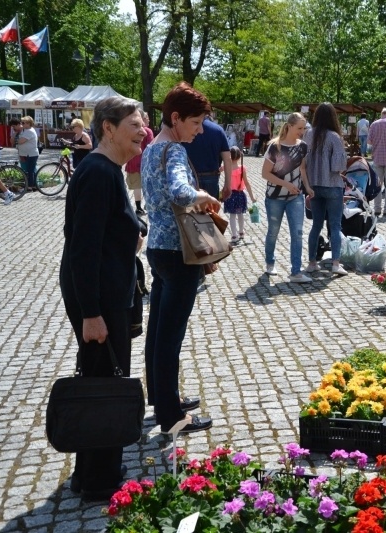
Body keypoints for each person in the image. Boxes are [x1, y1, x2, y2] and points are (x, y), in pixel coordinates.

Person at [59, 96, 146, 501]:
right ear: (108, 128)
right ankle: (98, 479)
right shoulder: (96, 172)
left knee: (103, 377)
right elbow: (82, 250)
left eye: (143, 122)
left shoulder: (108, 169)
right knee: (103, 383)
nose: (143, 130)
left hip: (108, 295)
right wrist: (91, 314)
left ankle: (95, 468)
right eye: (134, 123)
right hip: (96, 302)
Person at [142, 82, 219, 435]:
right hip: (179, 253)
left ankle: (161, 396)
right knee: (169, 336)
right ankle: (171, 417)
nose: (199, 130)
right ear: (176, 118)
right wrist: (203, 194)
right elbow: (179, 190)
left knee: (158, 330)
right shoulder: (172, 150)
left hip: (158, 249)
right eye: (196, 123)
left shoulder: (149, 148)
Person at [261, 112, 314, 282]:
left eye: (304, 128)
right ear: (289, 126)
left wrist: (307, 187)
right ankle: (270, 263)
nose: (302, 131)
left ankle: (296, 272)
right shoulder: (275, 147)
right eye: (299, 128)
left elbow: (303, 169)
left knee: (297, 233)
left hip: (295, 197)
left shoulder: (303, 146)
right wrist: (286, 184)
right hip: (274, 197)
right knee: (273, 232)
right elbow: (265, 173)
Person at [304, 103, 348, 277]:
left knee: (316, 225)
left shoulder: (308, 134)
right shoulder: (334, 137)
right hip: (332, 186)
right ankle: (336, 263)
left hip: (313, 186)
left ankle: (312, 262)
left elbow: (303, 161)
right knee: (335, 225)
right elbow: (338, 166)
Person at [183, 115, 231, 200]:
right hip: (211, 178)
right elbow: (227, 159)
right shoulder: (218, 130)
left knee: (190, 211)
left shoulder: (186, 129)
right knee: (211, 210)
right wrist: (227, 184)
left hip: (189, 177)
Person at [224, 145, 256, 244]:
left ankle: (234, 235)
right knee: (240, 214)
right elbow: (247, 183)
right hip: (240, 195)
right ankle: (241, 232)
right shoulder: (242, 168)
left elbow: (219, 170)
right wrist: (252, 197)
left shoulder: (227, 167)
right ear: (239, 157)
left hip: (230, 195)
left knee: (232, 216)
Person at [125, 111, 154, 216]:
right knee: (147, 185)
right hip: (145, 162)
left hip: (131, 161)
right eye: (146, 118)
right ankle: (148, 205)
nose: (148, 119)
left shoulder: (129, 131)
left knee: (136, 186)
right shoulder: (147, 131)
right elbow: (151, 146)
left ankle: (138, 207)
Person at [12, 116, 40, 191]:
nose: (22, 124)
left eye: (23, 123)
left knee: (30, 170)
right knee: (29, 170)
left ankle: (30, 186)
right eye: (21, 123)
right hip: (26, 154)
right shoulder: (25, 131)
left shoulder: (30, 131)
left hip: (31, 154)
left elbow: (21, 141)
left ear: (28, 123)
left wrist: (16, 140)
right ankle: (34, 185)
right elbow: (15, 141)